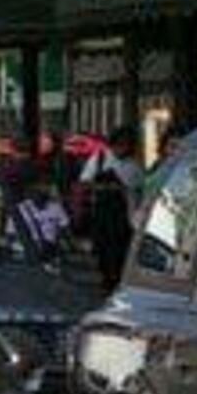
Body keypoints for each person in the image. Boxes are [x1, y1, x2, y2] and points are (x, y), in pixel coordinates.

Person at [82, 122, 145, 287]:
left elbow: (139, 190)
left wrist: (124, 190)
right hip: (102, 212)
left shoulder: (134, 166)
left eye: (126, 145)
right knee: (104, 246)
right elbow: (84, 182)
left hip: (124, 213)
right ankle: (106, 277)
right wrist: (104, 187)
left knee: (120, 247)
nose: (122, 149)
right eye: (119, 145)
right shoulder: (100, 158)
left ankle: (117, 278)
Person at [8, 180, 69, 262]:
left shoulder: (56, 207)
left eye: (43, 194)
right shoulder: (21, 208)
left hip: (49, 245)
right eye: (37, 193)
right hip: (26, 246)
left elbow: (64, 227)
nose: (40, 196)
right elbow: (10, 233)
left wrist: (59, 241)